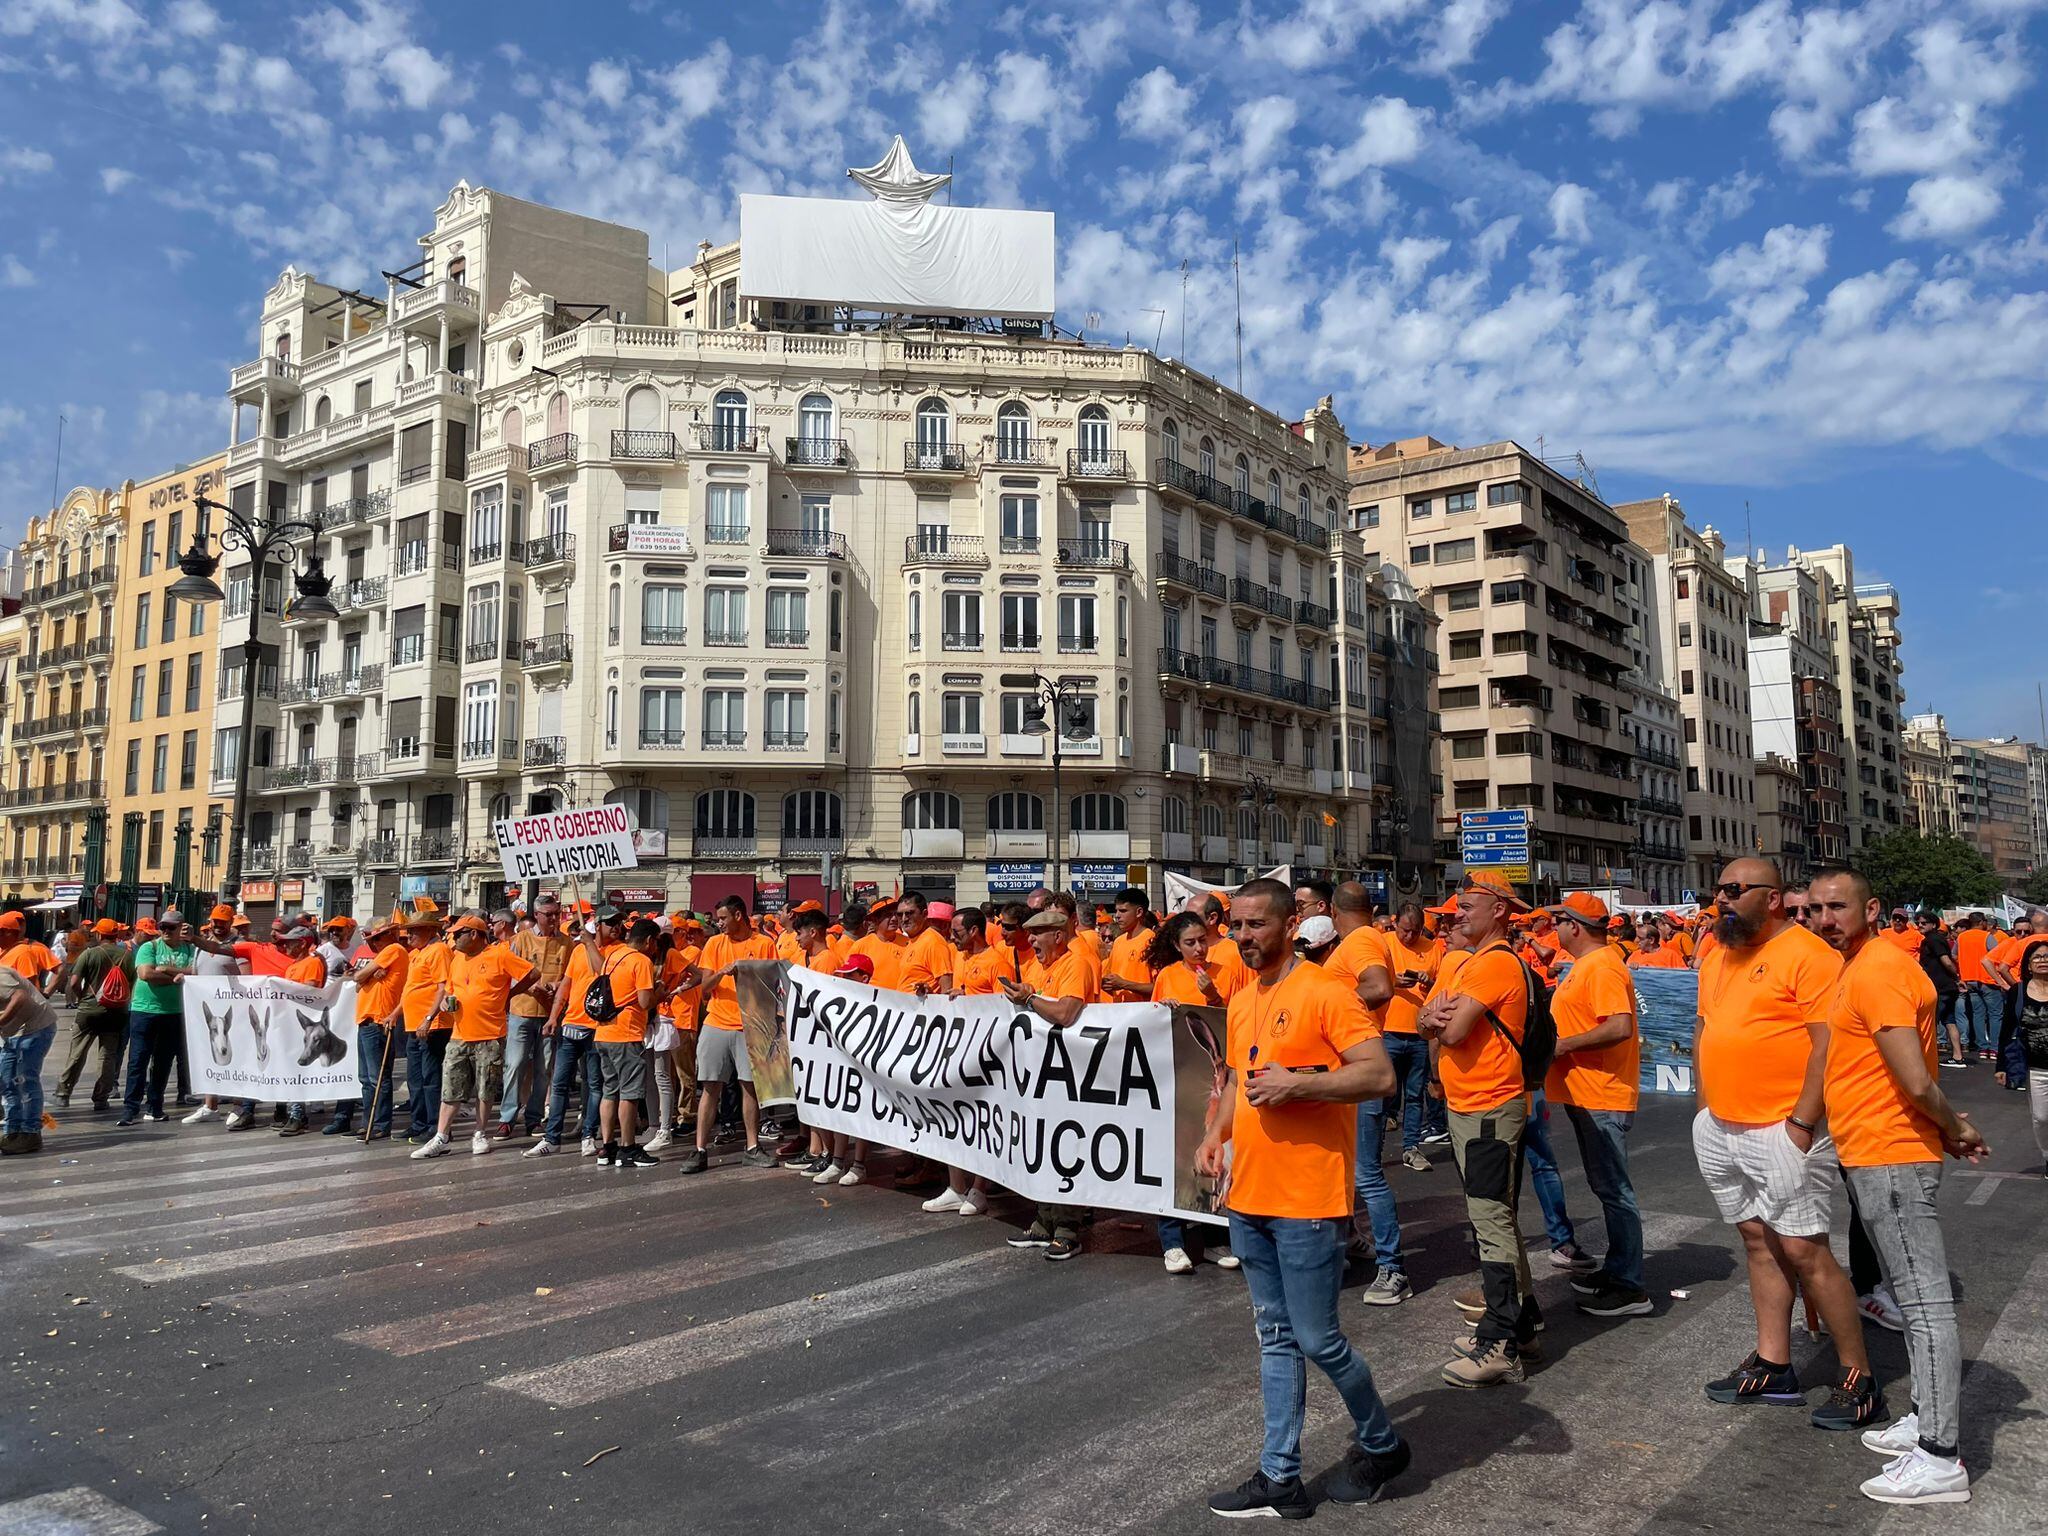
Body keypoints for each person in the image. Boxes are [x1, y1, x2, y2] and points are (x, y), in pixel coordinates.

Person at [1197, 878, 1407, 1519]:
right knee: (1275, 1335)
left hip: (1309, 1195)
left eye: (1255, 925)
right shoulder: (1240, 999)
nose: (1242, 937)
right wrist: (1214, 1136)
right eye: (1235, 926)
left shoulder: (1326, 991)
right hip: (1250, 1193)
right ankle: (1280, 1477)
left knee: (1318, 1339)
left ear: (1290, 926)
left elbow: (1379, 1074)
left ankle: (1382, 1442)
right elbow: (1236, 1077)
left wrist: (1301, 1086)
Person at [1808, 867, 1986, 1504]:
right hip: (1877, 1151)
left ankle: (1941, 1457)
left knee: (1925, 1305)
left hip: (1892, 1153)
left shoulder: (1879, 968)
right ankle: (1927, 1422)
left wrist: (1954, 1124)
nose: (1825, 918)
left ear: (1872, 908)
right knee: (1913, 1305)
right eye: (1816, 908)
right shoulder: (1861, 964)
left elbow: (1912, 1078)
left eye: (1837, 906)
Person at [1693, 858, 1884, 1430]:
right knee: (1756, 1240)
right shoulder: (1716, 955)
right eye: (1720, 888)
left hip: (1784, 1128)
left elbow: (1828, 1046)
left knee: (1805, 1250)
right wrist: (1707, 1107)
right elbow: (1705, 1028)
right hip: (1723, 1125)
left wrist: (1802, 1121)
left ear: (1772, 898)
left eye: (1734, 889)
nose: (1721, 898)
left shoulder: (1808, 956)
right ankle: (1775, 1362)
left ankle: (1859, 1378)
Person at [1419, 872, 1543, 1386]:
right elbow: (1436, 1021)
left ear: (1498, 910)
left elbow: (1452, 1027)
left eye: (1467, 906)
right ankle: (1523, 1321)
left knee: (1491, 1222)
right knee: (1499, 1220)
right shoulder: (1476, 963)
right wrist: (1432, 1018)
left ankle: (1501, 1344)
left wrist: (1434, 1019)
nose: (1457, 915)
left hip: (1489, 1108)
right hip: (1477, 1105)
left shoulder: (1493, 964)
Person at [1544, 892, 1651, 1317]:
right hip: (1588, 1091)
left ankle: (1629, 1285)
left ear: (1574, 926)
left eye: (1558, 922)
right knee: (1608, 1188)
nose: (1554, 929)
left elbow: (1619, 1027)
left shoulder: (1602, 965)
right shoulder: (1590, 965)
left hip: (1602, 1093)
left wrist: (1560, 1047)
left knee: (1615, 1191)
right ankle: (1618, 1271)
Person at [1322, 884, 1407, 1306]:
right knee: (1345, 1169)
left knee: (1366, 1174)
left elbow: (1379, 987)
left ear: (1333, 911)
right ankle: (1354, 1240)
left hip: (1360, 1071)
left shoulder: (1361, 940)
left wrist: (1321, 1010)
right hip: (1347, 1072)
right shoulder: (1361, 939)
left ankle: (1393, 1268)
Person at [1000, 909, 1098, 1260]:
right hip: (1042, 1073)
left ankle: (1069, 1228)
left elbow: (1066, 1014)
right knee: (1041, 1142)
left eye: (1038, 933)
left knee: (1067, 1147)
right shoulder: (1037, 968)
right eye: (1030, 934)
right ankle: (1044, 1221)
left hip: (1073, 1073)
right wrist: (1027, 994)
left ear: (1059, 935)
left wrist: (1028, 999)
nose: (1031, 940)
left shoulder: (1078, 964)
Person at [412, 914, 538, 1160]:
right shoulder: (457, 958)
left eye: (458, 934)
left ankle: (480, 1133)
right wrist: (446, 1007)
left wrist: (509, 995)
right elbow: (450, 989)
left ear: (474, 934)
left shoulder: (499, 955)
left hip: (489, 1034)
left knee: (485, 1088)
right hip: (459, 1034)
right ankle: (441, 1135)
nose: (454, 938)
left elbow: (532, 974)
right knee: (451, 1087)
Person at [676, 895, 779, 1174]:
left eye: (722, 918)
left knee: (750, 1087)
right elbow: (706, 986)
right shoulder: (714, 944)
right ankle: (699, 1149)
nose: (718, 923)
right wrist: (723, 971)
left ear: (738, 915)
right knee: (710, 1086)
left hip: (751, 1024)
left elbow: (773, 983)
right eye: (718, 918)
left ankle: (752, 1147)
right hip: (717, 1022)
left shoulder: (764, 943)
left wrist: (747, 974)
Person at [120, 910, 210, 1127]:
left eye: (171, 927)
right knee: (138, 1060)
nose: (166, 931)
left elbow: (197, 972)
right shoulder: (148, 947)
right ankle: (130, 1109)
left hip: (174, 1012)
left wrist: (167, 969)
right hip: (145, 1010)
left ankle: (155, 1107)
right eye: (163, 927)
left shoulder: (190, 949)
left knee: (163, 1063)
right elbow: (146, 974)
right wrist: (178, 978)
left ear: (182, 928)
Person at [331, 909, 408, 1139]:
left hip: (378, 1019)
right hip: (367, 1019)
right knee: (366, 1078)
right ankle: (368, 1122)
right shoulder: (383, 955)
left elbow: (356, 978)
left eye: (374, 939)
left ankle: (380, 1124)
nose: (371, 944)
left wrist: (364, 974)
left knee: (377, 1078)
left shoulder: (393, 949)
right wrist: (367, 974)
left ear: (386, 936)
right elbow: (357, 982)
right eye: (369, 940)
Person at [498, 897, 571, 1140]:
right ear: (537, 915)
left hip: (550, 1014)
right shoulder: (519, 941)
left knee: (544, 1069)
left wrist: (556, 985)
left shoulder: (567, 943)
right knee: (515, 1064)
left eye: (556, 914)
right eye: (549, 914)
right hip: (522, 1010)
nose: (553, 919)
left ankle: (534, 1117)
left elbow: (571, 976)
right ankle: (507, 1117)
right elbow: (509, 974)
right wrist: (532, 987)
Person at [1381, 900, 1443, 1169]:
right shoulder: (1383, 943)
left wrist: (1429, 984)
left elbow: (1442, 989)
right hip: (1388, 1030)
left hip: (1420, 1032)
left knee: (1416, 1094)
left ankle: (1411, 1147)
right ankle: (1374, 1150)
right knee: (1383, 1093)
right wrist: (1393, 982)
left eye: (1415, 931)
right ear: (1395, 923)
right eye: (1405, 930)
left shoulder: (1433, 949)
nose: (1409, 936)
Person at [58, 918, 132, 1112]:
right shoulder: (127, 956)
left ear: (99, 934)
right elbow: (132, 983)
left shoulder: (89, 954)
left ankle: (63, 1093)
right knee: (108, 1056)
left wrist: (84, 997)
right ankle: (101, 1097)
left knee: (78, 1052)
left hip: (89, 1010)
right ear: (116, 935)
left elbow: (74, 982)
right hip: (116, 1011)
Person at [398, 909, 455, 1144]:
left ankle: (436, 1126)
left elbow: (443, 987)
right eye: (408, 930)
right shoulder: (418, 953)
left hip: (431, 1025)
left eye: (414, 930)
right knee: (415, 1077)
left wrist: (429, 1018)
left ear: (429, 930)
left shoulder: (438, 950)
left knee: (431, 1077)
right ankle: (419, 1122)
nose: (409, 935)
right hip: (414, 1024)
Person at [0, 942, 60, 1154]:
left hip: (34, 1029)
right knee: (7, 1081)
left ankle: (31, 1133)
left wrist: (2, 1020)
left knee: (25, 1080)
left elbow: (21, 997)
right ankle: (12, 1131)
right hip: (13, 1033)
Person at [1995, 939, 2048, 1177]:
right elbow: (2006, 1030)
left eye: (2047, 956)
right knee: (2041, 1118)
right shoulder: (2018, 991)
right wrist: (2001, 1066)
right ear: (2028, 964)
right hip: (2035, 1069)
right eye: (2037, 957)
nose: (2043, 961)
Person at [1915, 912, 1963, 1066]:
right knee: (1949, 1021)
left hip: (1940, 987)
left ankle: (1927, 1057)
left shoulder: (1933, 940)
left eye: (1924, 923)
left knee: (1931, 1022)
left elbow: (1946, 961)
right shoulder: (1935, 939)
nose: (1920, 925)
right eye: (1918, 922)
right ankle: (1957, 1056)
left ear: (1933, 925)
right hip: (1945, 986)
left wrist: (1956, 977)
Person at [1097, 886, 1156, 1002]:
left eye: (1123, 911)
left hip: (1144, 1015)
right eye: (1117, 910)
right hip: (1119, 1013)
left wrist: (1124, 984)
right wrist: (1105, 983)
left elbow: (1161, 987)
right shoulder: (1119, 941)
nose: (1117, 915)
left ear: (1139, 912)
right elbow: (1112, 979)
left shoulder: (1152, 940)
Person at [1953, 914, 1998, 1062]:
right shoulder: (1986, 937)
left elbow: (1954, 955)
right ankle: (1995, 1048)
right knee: (1995, 1015)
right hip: (1987, 980)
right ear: (1981, 922)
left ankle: (1983, 1047)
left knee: (1978, 1014)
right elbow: (1997, 955)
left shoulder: (1961, 938)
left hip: (1969, 980)